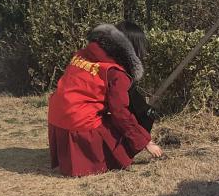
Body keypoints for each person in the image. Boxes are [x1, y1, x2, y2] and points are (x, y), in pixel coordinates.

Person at [47, 23, 163, 177]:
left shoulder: (83, 53)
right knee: (123, 123)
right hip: (77, 123)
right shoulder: (115, 73)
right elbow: (120, 113)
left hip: (56, 119)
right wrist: (144, 141)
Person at [117, 20, 157, 133]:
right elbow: (120, 114)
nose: (144, 53)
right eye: (140, 48)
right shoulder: (117, 76)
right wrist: (143, 139)